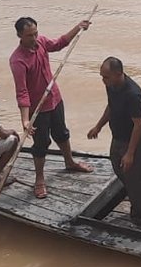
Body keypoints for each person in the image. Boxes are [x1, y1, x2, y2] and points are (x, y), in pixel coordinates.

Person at [9, 16, 94, 199]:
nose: (34, 38)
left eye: (35, 33)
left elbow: (59, 43)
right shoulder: (18, 61)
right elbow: (22, 92)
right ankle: (39, 179)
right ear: (19, 36)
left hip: (55, 98)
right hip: (38, 108)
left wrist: (78, 27)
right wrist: (25, 119)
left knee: (62, 133)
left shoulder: (41, 42)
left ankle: (70, 162)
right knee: (41, 143)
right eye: (29, 35)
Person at [87, 57, 141, 226]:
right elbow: (111, 106)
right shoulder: (112, 86)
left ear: (118, 74)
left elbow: (139, 125)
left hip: (133, 140)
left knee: (132, 178)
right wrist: (99, 126)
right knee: (119, 169)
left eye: (106, 77)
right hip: (117, 136)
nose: (103, 81)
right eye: (102, 77)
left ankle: (139, 213)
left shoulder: (134, 94)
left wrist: (130, 153)